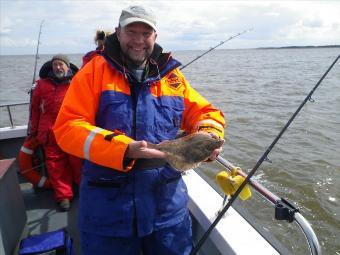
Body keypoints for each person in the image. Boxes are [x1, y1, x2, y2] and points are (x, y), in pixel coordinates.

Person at [54, 5, 225, 255]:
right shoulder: (92, 72)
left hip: (167, 207)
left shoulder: (171, 77)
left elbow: (205, 112)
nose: (138, 40)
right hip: (109, 211)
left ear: (155, 36)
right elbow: (67, 128)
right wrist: (123, 150)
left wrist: (210, 136)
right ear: (118, 32)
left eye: (146, 33)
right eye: (131, 32)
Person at [29, 54, 82, 211]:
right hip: (49, 132)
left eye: (61, 64)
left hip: (72, 130)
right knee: (55, 165)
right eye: (55, 65)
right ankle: (63, 196)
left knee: (77, 162)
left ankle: (82, 188)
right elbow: (35, 110)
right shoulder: (41, 85)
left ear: (67, 66)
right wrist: (34, 130)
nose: (58, 67)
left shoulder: (77, 83)